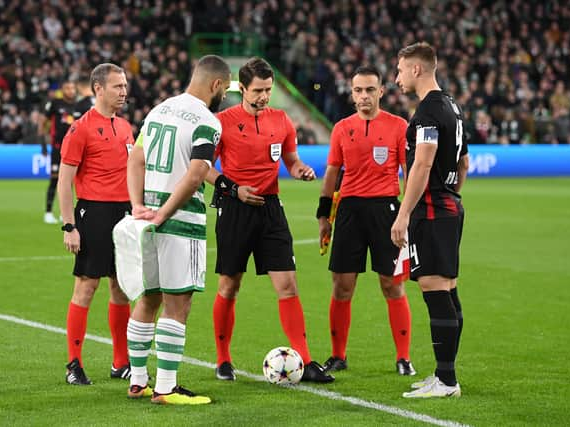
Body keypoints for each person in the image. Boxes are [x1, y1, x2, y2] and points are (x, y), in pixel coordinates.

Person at [115, 55, 231, 405]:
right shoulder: (208, 122)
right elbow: (197, 173)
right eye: (225, 88)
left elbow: (135, 159)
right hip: (179, 219)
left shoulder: (159, 110)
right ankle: (166, 387)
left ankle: (138, 381)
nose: (224, 94)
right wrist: (165, 212)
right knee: (177, 304)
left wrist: (138, 206)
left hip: (145, 216)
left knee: (148, 297)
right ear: (215, 85)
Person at [209, 57, 334, 383]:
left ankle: (304, 362)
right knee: (229, 285)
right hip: (235, 208)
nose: (265, 96)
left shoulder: (282, 120)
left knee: (288, 284)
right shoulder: (222, 121)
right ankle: (223, 360)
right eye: (259, 90)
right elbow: (203, 169)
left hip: (270, 209)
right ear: (242, 88)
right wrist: (234, 190)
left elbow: (290, 160)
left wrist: (300, 170)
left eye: (268, 90)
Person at [316, 65, 416, 376]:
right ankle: (337, 356)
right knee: (342, 286)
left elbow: (409, 171)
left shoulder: (399, 126)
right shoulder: (341, 128)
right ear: (351, 92)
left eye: (370, 90)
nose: (363, 96)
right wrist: (324, 215)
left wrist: (406, 214)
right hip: (348, 211)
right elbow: (332, 172)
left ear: (381, 92)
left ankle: (403, 358)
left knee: (392, 285)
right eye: (358, 90)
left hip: (386, 211)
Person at [390, 42, 469, 398]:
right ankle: (443, 375)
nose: (397, 78)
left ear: (417, 69)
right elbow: (464, 161)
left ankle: (447, 381)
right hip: (449, 205)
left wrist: (404, 214)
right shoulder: (451, 106)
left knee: (435, 289)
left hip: (433, 210)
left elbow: (422, 163)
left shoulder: (426, 113)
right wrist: (452, 194)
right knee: (448, 290)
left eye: (400, 70)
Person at [57, 63, 134, 385]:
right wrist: (69, 225)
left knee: (122, 288)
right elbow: (64, 181)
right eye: (117, 86)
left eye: (125, 86)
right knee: (86, 287)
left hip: (125, 213)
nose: (124, 92)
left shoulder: (127, 126)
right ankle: (73, 364)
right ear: (98, 89)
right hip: (94, 213)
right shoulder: (81, 128)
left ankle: (121, 362)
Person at [40, 79, 90, 224]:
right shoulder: (55, 104)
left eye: (73, 88)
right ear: (62, 89)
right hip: (57, 147)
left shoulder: (79, 106)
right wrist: (43, 143)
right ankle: (48, 212)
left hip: (74, 148)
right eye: (67, 88)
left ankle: (65, 213)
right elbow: (43, 122)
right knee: (55, 179)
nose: (71, 91)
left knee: (72, 181)